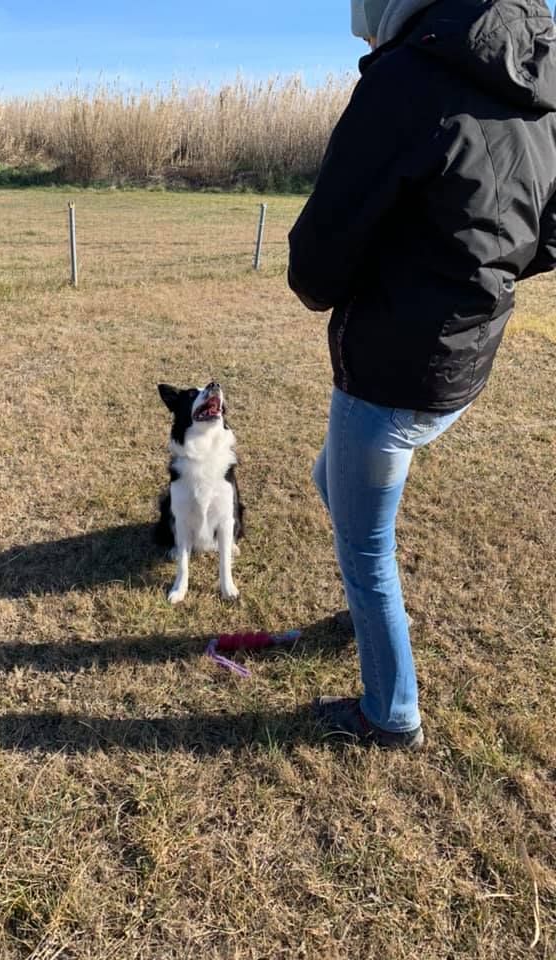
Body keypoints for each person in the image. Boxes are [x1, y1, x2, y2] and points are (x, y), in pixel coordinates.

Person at [288, 0, 556, 751]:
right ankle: (371, 623)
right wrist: (475, 276)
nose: (367, 38)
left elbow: (319, 254)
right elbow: (550, 231)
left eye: (366, 24)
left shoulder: (405, 79)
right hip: (466, 359)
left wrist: (349, 284)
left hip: (391, 366)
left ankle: (390, 712)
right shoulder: (542, 77)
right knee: (331, 482)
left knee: (365, 552)